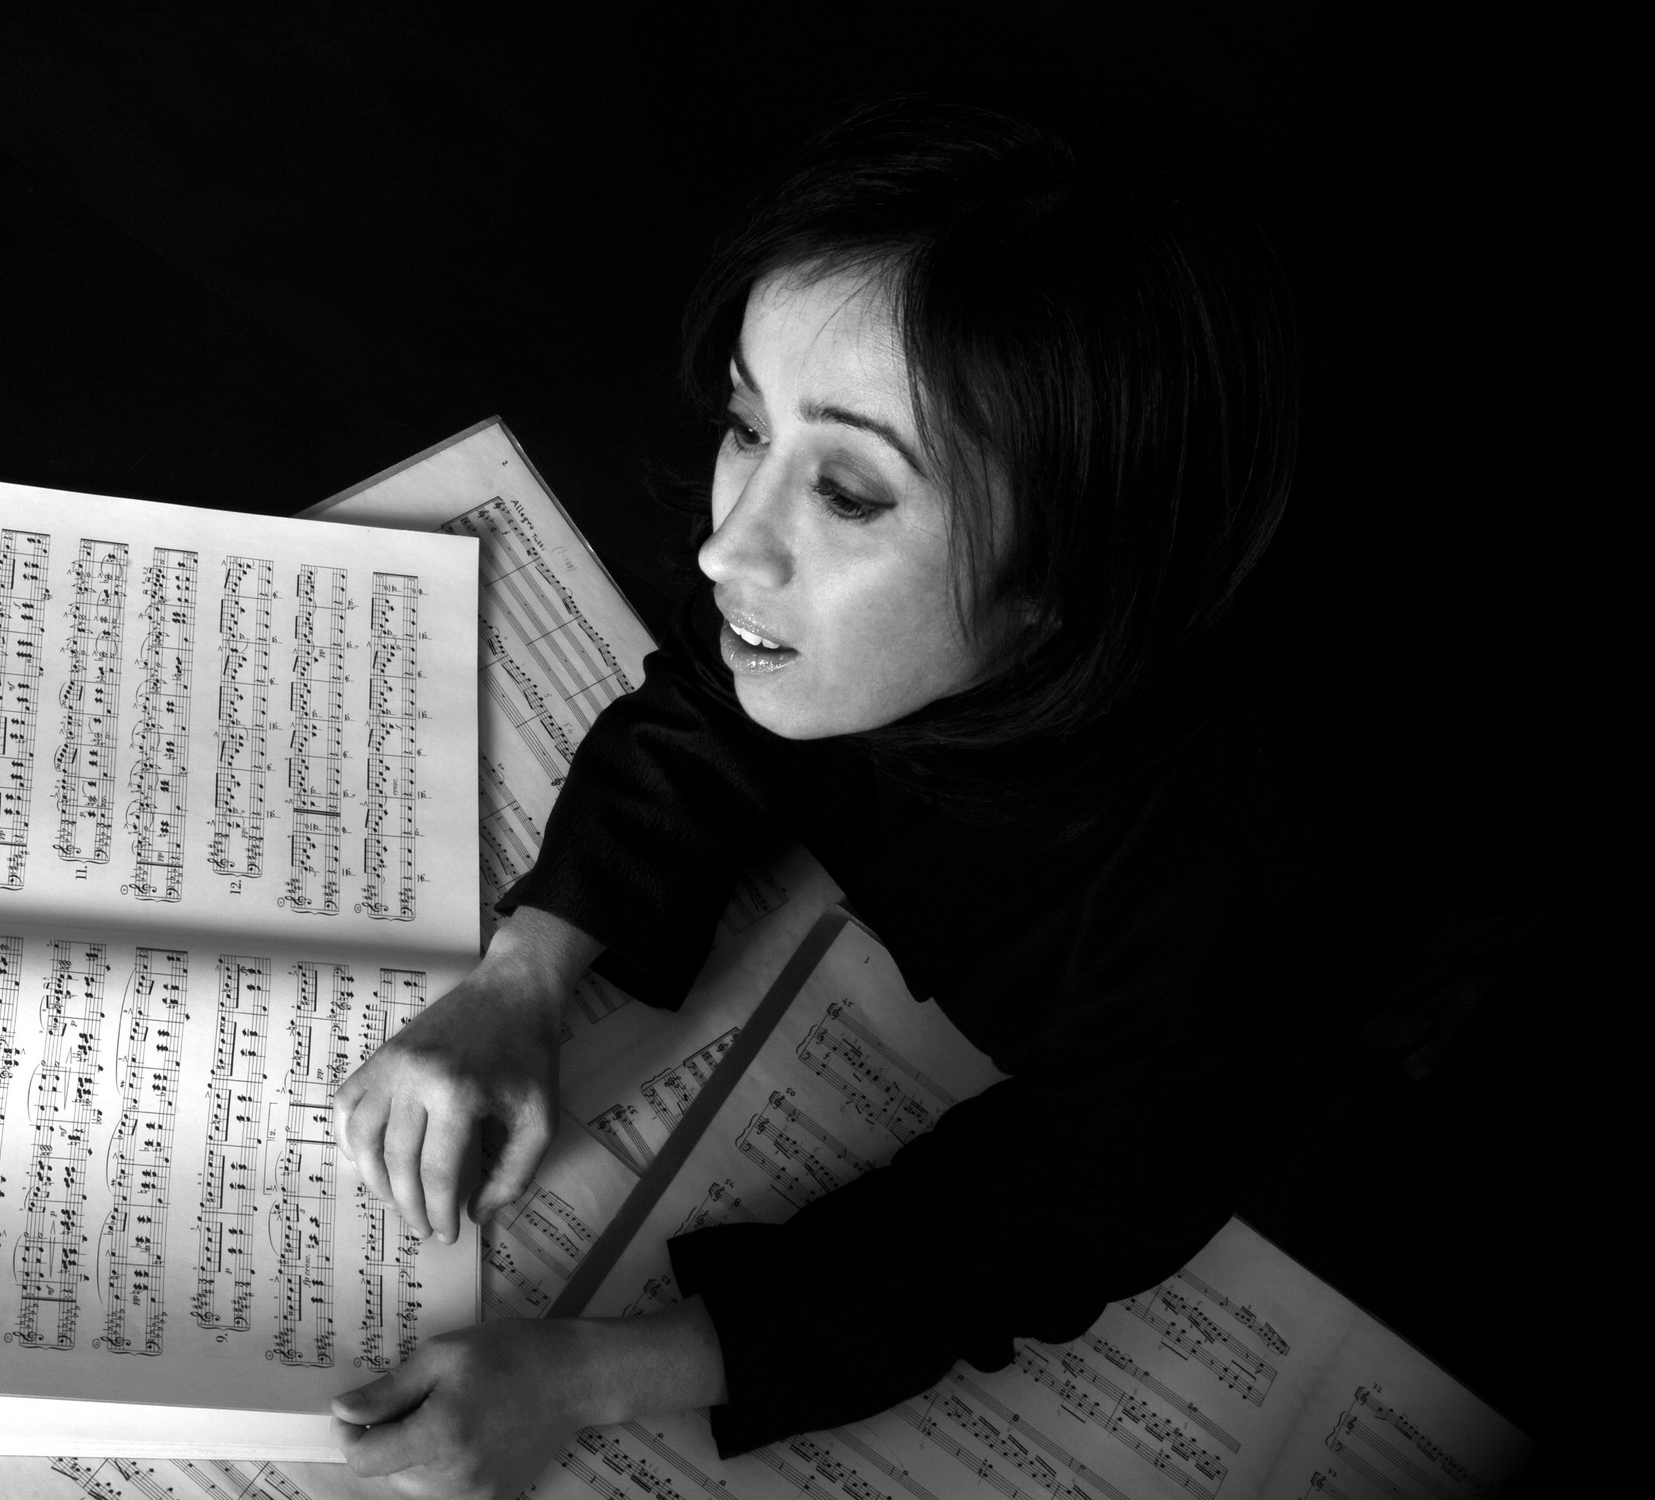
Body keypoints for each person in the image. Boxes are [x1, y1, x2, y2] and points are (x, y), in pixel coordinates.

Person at [321, 92, 1517, 1499]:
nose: (724, 551)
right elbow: (711, 698)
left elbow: (1004, 1241)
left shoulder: (1226, 933)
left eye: (848, 494)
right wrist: (525, 974)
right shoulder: (881, 603)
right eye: (746, 424)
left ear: (1068, 572)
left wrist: (581, 1377)